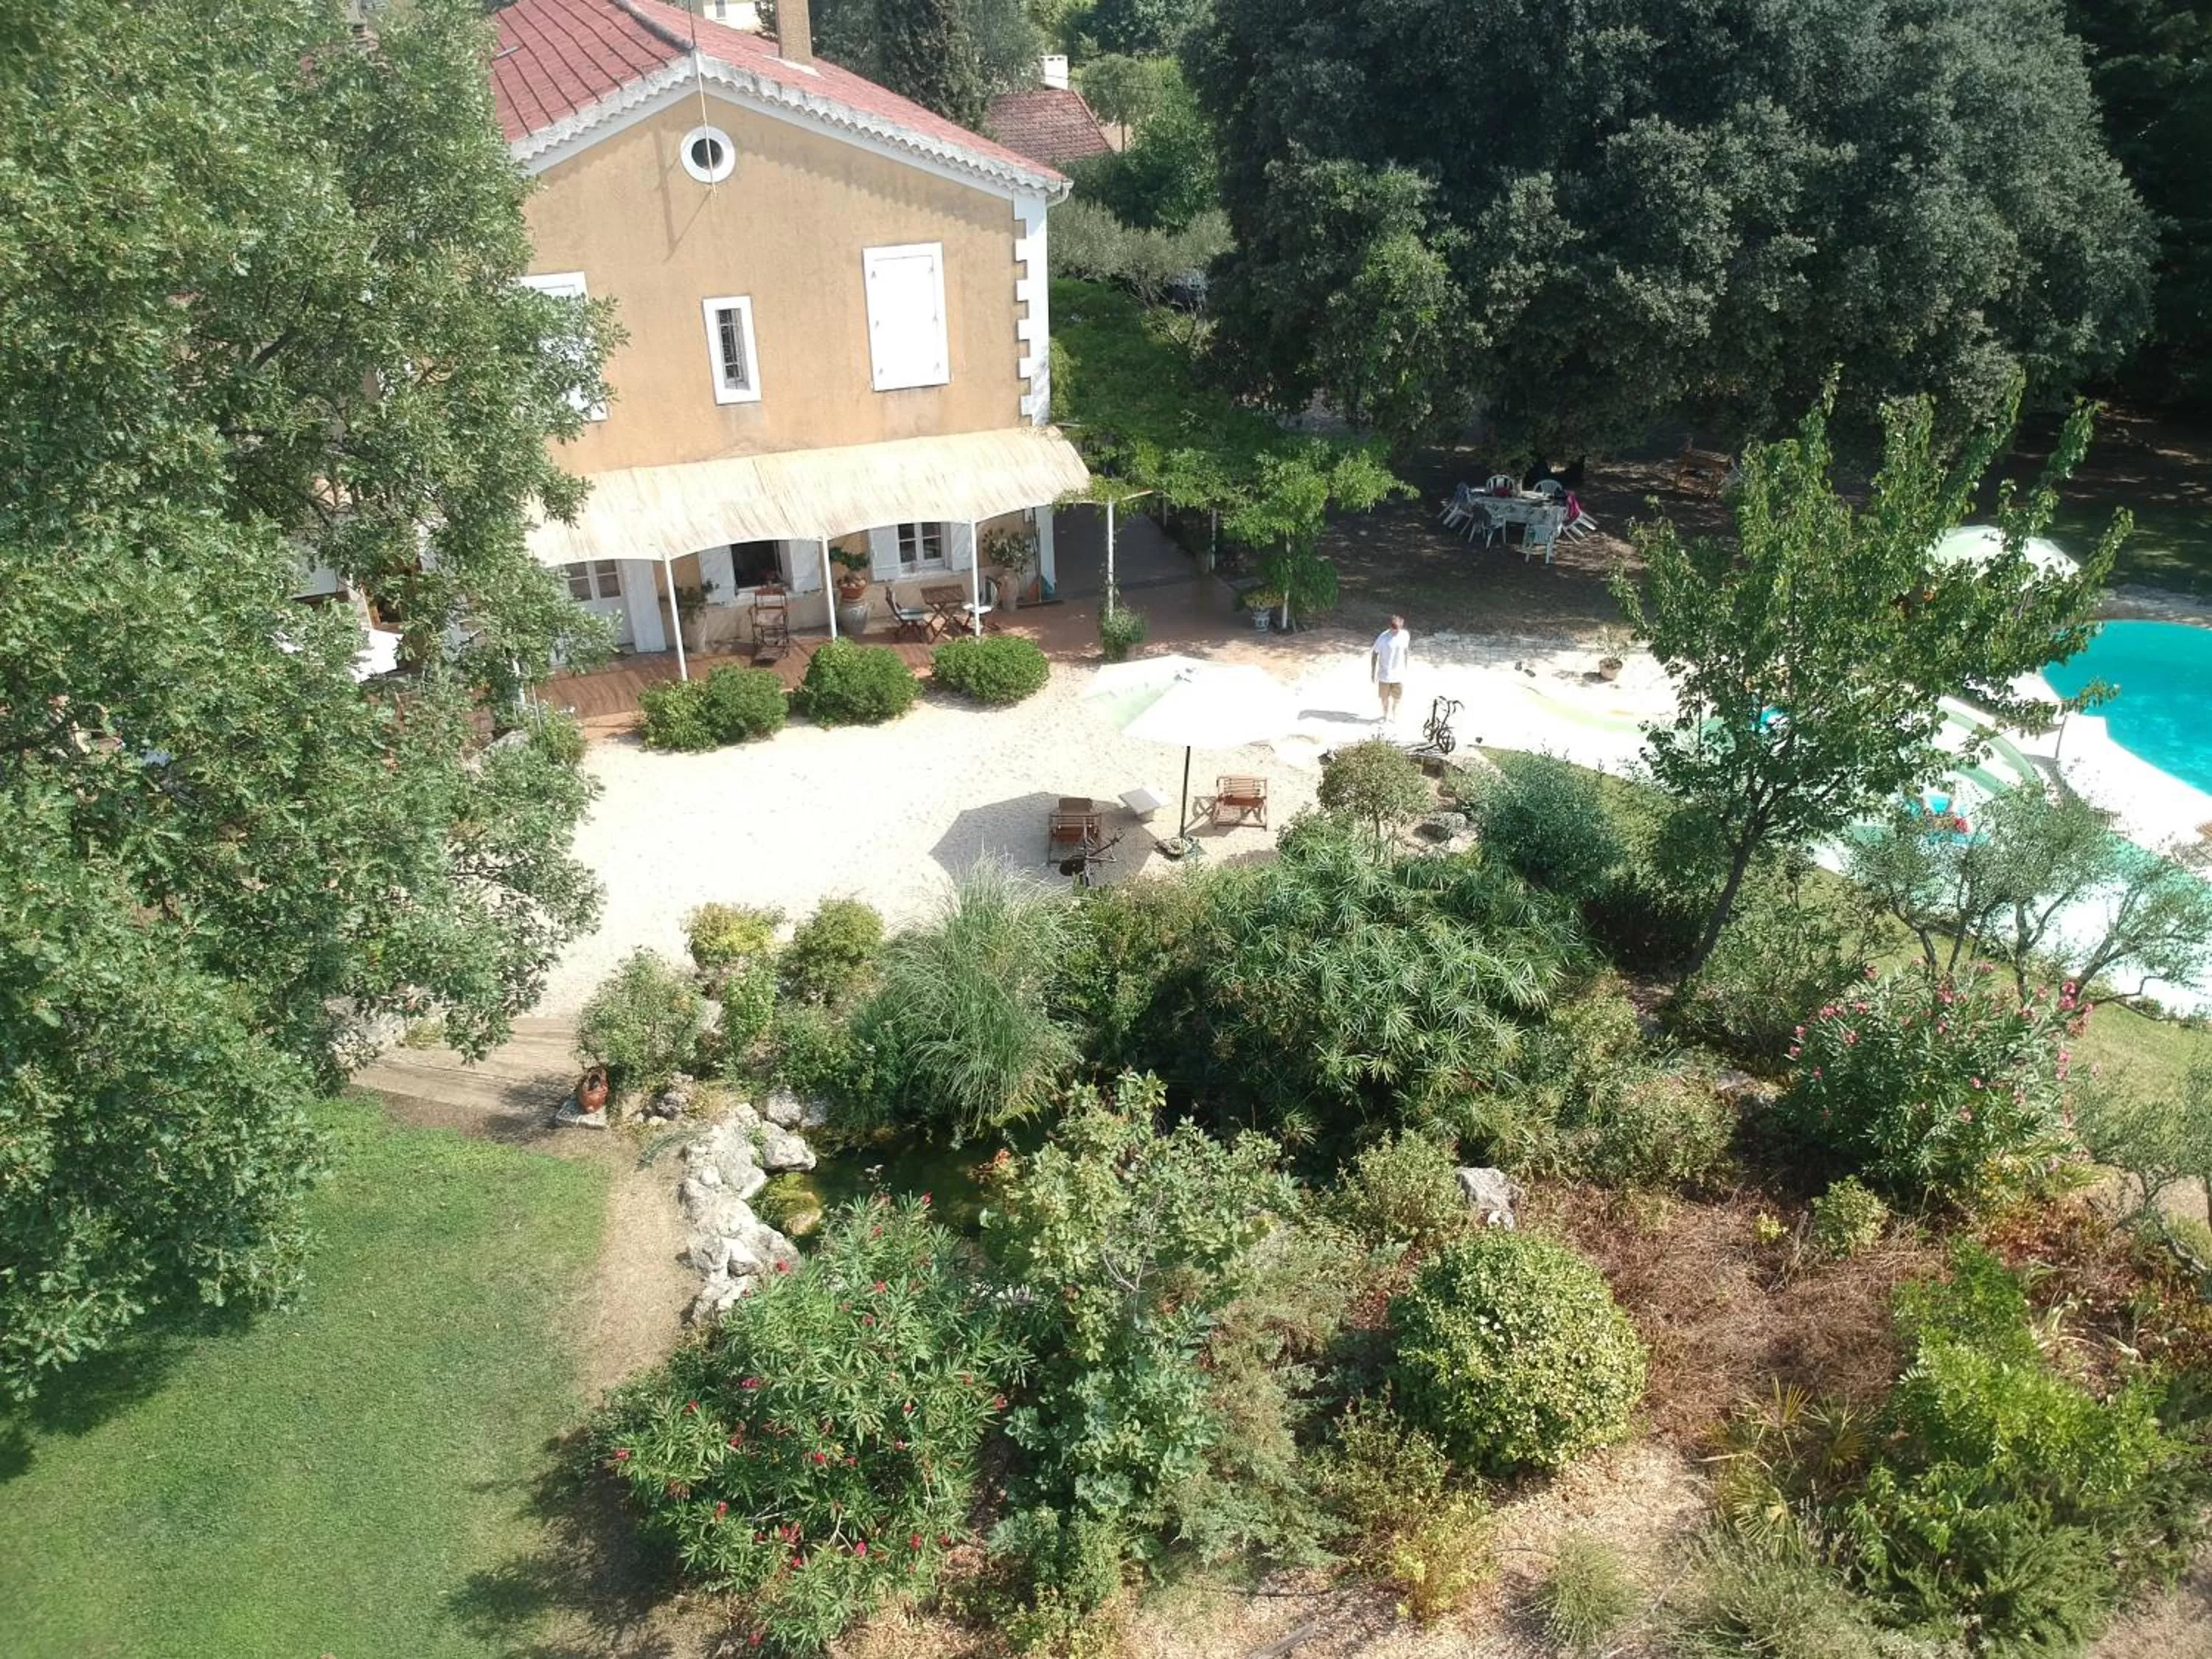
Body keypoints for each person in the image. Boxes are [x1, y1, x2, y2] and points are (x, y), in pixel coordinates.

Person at [1371, 614, 1411, 723]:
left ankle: (1395, 713)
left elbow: (1406, 651)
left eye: (1397, 629)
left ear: (1401, 627)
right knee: (1384, 698)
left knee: (1397, 698)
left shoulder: (1405, 635)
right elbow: (1375, 653)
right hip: (1385, 674)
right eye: (1393, 628)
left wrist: (1406, 666)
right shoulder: (1383, 638)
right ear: (1390, 627)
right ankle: (1385, 714)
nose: (1395, 631)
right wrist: (1373, 672)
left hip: (1399, 674)